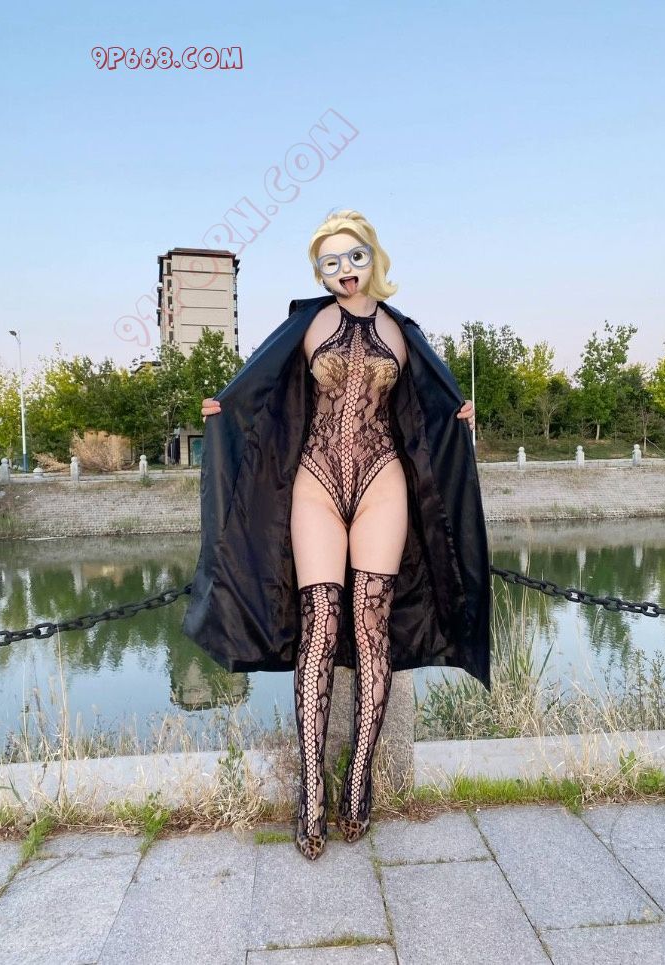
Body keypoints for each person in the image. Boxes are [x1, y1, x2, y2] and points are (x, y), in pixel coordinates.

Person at [191, 209, 486, 861]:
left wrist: (458, 413)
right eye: (330, 262)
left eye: (354, 257)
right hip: (316, 479)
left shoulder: (403, 331)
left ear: (372, 257)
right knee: (320, 625)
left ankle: (359, 780)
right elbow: (264, 387)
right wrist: (225, 408)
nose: (344, 271)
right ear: (319, 271)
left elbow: (430, 405)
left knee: (372, 627)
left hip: (382, 479)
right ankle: (310, 793)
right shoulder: (308, 323)